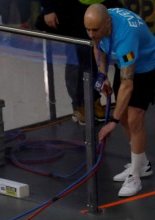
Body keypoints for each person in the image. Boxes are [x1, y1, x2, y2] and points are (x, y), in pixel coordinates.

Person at [86, 4, 155, 197]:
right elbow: (97, 47)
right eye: (88, 29)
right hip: (123, 65)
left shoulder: (126, 37)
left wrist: (112, 122)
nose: (91, 34)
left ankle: (135, 177)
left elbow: (128, 84)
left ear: (108, 24)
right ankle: (141, 164)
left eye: (95, 30)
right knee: (124, 115)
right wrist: (102, 76)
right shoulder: (99, 27)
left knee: (134, 119)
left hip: (146, 67)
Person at [36, 0, 121, 125]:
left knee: (94, 54)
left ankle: (94, 99)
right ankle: (79, 105)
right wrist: (47, 8)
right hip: (73, 9)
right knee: (78, 57)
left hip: (101, 6)